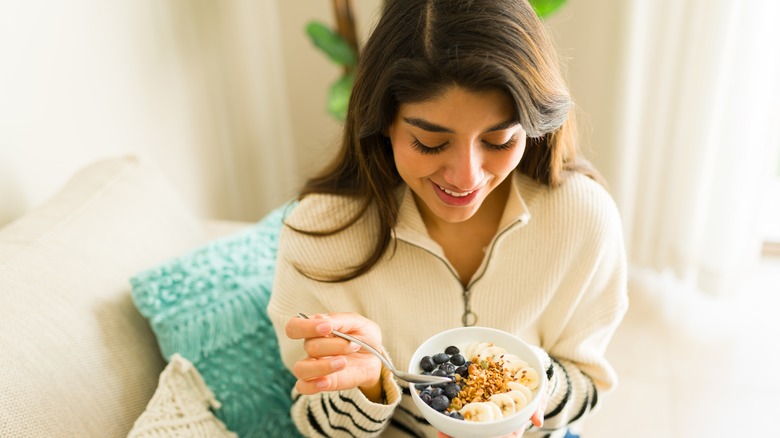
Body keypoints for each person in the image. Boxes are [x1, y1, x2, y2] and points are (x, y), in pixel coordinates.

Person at [268, 0, 628, 436]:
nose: (466, 178)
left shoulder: (584, 219)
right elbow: (314, 425)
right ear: (384, 120)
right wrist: (369, 388)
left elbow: (587, 386)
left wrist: (525, 390)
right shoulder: (319, 237)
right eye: (429, 142)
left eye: (499, 140)